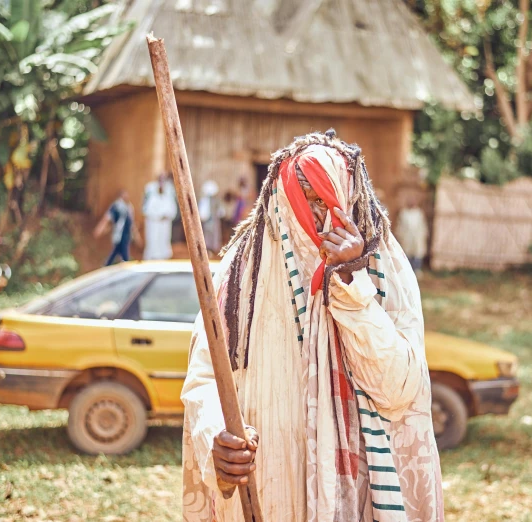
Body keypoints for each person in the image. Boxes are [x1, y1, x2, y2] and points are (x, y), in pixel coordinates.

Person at [181, 131, 442, 521]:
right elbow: (205, 375)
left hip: (356, 496)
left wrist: (352, 282)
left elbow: (400, 391)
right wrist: (215, 438)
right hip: (266, 491)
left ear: (351, 198)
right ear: (282, 197)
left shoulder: (383, 267)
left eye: (327, 199)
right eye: (305, 199)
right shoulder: (240, 271)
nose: (319, 216)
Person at [94, 189, 141, 266]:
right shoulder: (116, 206)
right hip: (119, 234)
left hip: (126, 233)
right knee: (122, 251)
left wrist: (136, 236)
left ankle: (107, 265)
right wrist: (100, 229)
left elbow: (131, 222)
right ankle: (118, 265)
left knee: (117, 251)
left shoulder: (129, 207)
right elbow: (107, 218)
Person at [142, 173, 178, 260]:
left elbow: (172, 206)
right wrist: (155, 216)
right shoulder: (150, 189)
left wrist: (167, 215)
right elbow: (146, 207)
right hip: (153, 222)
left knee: (164, 239)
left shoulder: (169, 190)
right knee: (153, 239)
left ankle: (163, 257)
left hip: (165, 222)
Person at [395, 196, 428, 274]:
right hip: (407, 237)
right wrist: (400, 235)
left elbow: (422, 225)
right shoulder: (404, 213)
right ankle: (408, 269)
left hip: (417, 237)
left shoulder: (419, 213)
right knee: (407, 253)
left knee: (417, 253)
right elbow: (400, 225)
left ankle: (417, 269)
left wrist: (423, 234)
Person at [198, 180, 222, 255]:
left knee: (214, 234)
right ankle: (207, 248)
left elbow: (221, 211)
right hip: (208, 220)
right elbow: (202, 211)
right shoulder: (204, 200)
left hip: (214, 220)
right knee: (207, 234)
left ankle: (213, 249)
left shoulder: (216, 201)